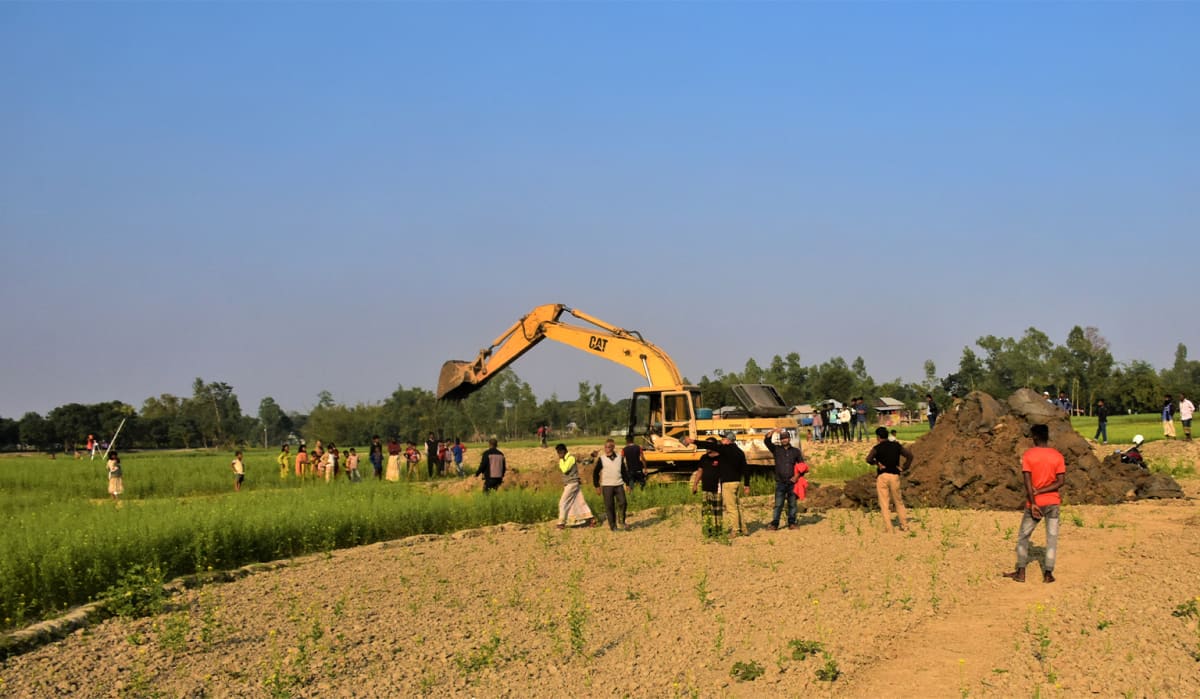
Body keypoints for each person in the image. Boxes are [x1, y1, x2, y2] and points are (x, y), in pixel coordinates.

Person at [1002, 424, 1066, 584]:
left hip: (1035, 503)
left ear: (1035, 437)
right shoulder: (1057, 456)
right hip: (1053, 503)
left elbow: (1027, 483)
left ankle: (1021, 572)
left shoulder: (1028, 455)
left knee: (1023, 536)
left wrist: (1034, 501)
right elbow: (1061, 482)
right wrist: (1044, 490)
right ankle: (1048, 574)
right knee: (1051, 538)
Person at [865, 426, 913, 533]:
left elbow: (868, 459)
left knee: (884, 503)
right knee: (898, 502)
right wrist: (904, 467)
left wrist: (877, 463)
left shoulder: (877, 448)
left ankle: (889, 528)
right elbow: (910, 456)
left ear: (878, 437)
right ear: (887, 435)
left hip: (882, 476)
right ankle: (904, 525)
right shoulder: (896, 446)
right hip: (895, 475)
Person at [764, 428, 804, 530]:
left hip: (792, 482)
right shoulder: (776, 449)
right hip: (780, 482)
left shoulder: (796, 451)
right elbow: (766, 441)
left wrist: (796, 477)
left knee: (792, 504)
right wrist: (773, 431)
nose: (784, 440)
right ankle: (774, 524)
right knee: (778, 504)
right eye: (782, 438)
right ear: (780, 440)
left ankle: (792, 523)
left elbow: (802, 466)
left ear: (789, 439)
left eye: (786, 438)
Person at [591, 439, 631, 531]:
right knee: (609, 506)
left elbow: (624, 472)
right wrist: (597, 486)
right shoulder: (602, 459)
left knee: (623, 502)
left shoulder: (620, 458)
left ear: (613, 447)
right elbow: (595, 472)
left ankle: (621, 521)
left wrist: (627, 483)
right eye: (605, 447)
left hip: (619, 484)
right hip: (607, 486)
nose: (606, 449)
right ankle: (613, 527)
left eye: (609, 447)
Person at [555, 443, 597, 529]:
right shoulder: (567, 458)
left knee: (563, 502)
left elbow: (564, 469)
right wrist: (591, 457)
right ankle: (591, 519)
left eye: (559, 453)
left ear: (563, 451)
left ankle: (561, 522)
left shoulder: (570, 458)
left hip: (572, 483)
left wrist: (560, 460)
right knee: (579, 502)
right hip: (571, 484)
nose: (558, 455)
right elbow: (584, 462)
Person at [690, 439, 724, 537]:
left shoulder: (721, 457)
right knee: (706, 510)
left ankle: (718, 531)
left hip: (718, 488)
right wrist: (695, 484)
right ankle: (707, 530)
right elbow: (700, 471)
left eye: (709, 445)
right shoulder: (703, 458)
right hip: (706, 488)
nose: (707, 447)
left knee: (717, 510)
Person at [717, 431, 749, 536]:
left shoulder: (725, 450)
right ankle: (744, 528)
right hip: (737, 482)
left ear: (728, 440)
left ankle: (735, 530)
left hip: (728, 483)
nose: (721, 440)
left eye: (723, 439)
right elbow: (745, 469)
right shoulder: (740, 452)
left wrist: (694, 441)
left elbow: (709, 445)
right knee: (738, 506)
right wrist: (746, 484)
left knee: (731, 507)